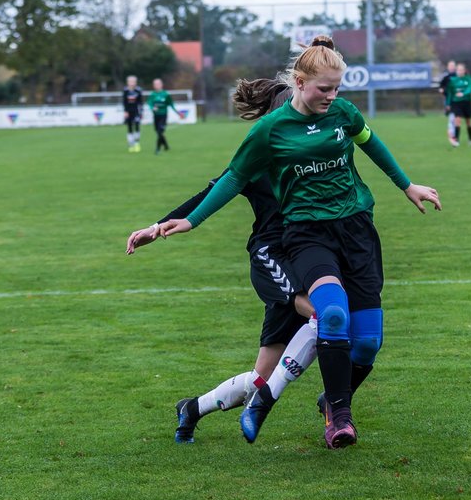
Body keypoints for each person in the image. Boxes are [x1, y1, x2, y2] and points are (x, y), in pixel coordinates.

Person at [158, 36, 442, 449]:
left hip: (356, 229)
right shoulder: (269, 132)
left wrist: (407, 185)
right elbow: (231, 179)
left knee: (365, 342)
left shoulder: (343, 113)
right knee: (329, 316)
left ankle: (216, 405)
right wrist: (188, 221)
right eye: (323, 88)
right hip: (303, 240)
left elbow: (371, 143)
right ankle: (333, 416)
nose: (332, 96)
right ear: (299, 82)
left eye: (337, 88)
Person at [126, 79, 316, 444]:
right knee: (328, 316)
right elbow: (210, 193)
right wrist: (156, 226)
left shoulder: (312, 153)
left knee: (260, 379)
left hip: (305, 257)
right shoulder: (256, 159)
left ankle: (192, 408)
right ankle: (335, 407)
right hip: (270, 257)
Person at [147, 78, 184, 153]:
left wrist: (178, 113)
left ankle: (157, 149)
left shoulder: (166, 94)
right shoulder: (153, 95)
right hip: (156, 116)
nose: (156, 85)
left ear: (161, 85)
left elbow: (171, 104)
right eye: (155, 84)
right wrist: (152, 108)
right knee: (158, 132)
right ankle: (166, 146)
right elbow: (149, 103)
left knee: (160, 131)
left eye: (158, 84)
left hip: (163, 115)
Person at [446, 63, 471, 147]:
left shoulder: (468, 79)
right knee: (457, 120)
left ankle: (470, 139)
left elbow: (470, 88)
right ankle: (456, 141)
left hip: (466, 102)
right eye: (458, 70)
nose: (459, 71)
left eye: (461, 70)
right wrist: (448, 103)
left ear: (464, 71)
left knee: (468, 122)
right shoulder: (452, 80)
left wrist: (463, 93)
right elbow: (450, 93)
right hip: (456, 103)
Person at [437, 59, 457, 145]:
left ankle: (453, 134)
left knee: (456, 117)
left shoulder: (458, 75)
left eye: (453, 66)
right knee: (451, 116)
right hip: (448, 99)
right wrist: (442, 90)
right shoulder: (446, 77)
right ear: (448, 67)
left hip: (457, 100)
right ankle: (452, 134)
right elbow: (441, 86)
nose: (452, 67)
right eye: (450, 66)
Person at [122, 75, 143, 153]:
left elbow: (140, 102)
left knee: (137, 126)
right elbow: (124, 102)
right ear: (128, 82)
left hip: (136, 111)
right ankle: (131, 145)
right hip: (128, 112)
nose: (132, 83)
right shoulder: (125, 90)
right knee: (130, 128)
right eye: (130, 81)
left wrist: (141, 112)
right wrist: (125, 111)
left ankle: (137, 143)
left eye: (133, 81)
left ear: (135, 82)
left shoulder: (138, 90)